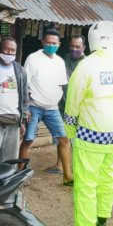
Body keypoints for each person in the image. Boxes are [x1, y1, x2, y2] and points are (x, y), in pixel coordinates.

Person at [57, 21, 113, 226]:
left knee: (86, 185)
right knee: (107, 181)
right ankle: (101, 223)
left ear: (92, 40)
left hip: (90, 135)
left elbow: (73, 100)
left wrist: (68, 131)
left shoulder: (87, 65)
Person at [19, 29, 73, 185]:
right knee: (28, 140)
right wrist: (26, 108)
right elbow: (24, 84)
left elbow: (62, 86)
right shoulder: (33, 58)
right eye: (48, 42)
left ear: (59, 44)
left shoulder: (60, 61)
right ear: (42, 42)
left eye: (54, 43)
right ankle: (20, 175)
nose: (51, 45)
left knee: (63, 139)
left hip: (53, 108)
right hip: (34, 106)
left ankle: (68, 175)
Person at [47, 34, 87, 174]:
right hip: (63, 105)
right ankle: (59, 165)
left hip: (80, 108)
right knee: (61, 137)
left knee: (78, 140)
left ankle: (77, 168)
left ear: (84, 47)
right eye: (72, 46)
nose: (74, 49)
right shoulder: (65, 59)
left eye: (78, 47)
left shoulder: (88, 63)